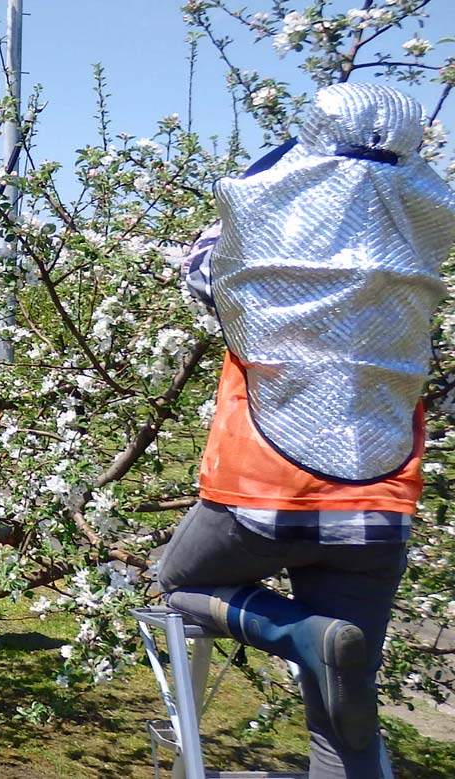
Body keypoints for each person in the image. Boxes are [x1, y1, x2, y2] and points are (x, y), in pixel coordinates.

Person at [159, 82, 455, 779]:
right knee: (342, 726)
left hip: (261, 490)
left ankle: (299, 634)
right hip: (379, 508)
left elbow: (200, 275)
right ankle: (324, 654)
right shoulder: (421, 241)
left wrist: (275, 173)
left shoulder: (267, 236)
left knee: (175, 584)